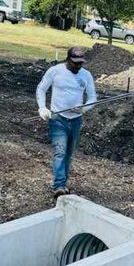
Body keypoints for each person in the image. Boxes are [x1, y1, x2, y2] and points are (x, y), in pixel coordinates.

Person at [36, 46, 97, 197]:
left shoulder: (86, 75)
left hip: (75, 120)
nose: (77, 66)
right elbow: (41, 89)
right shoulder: (55, 71)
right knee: (60, 151)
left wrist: (83, 108)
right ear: (67, 60)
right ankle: (59, 185)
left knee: (69, 154)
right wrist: (42, 108)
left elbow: (93, 98)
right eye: (75, 63)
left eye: (80, 63)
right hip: (58, 118)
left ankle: (63, 182)